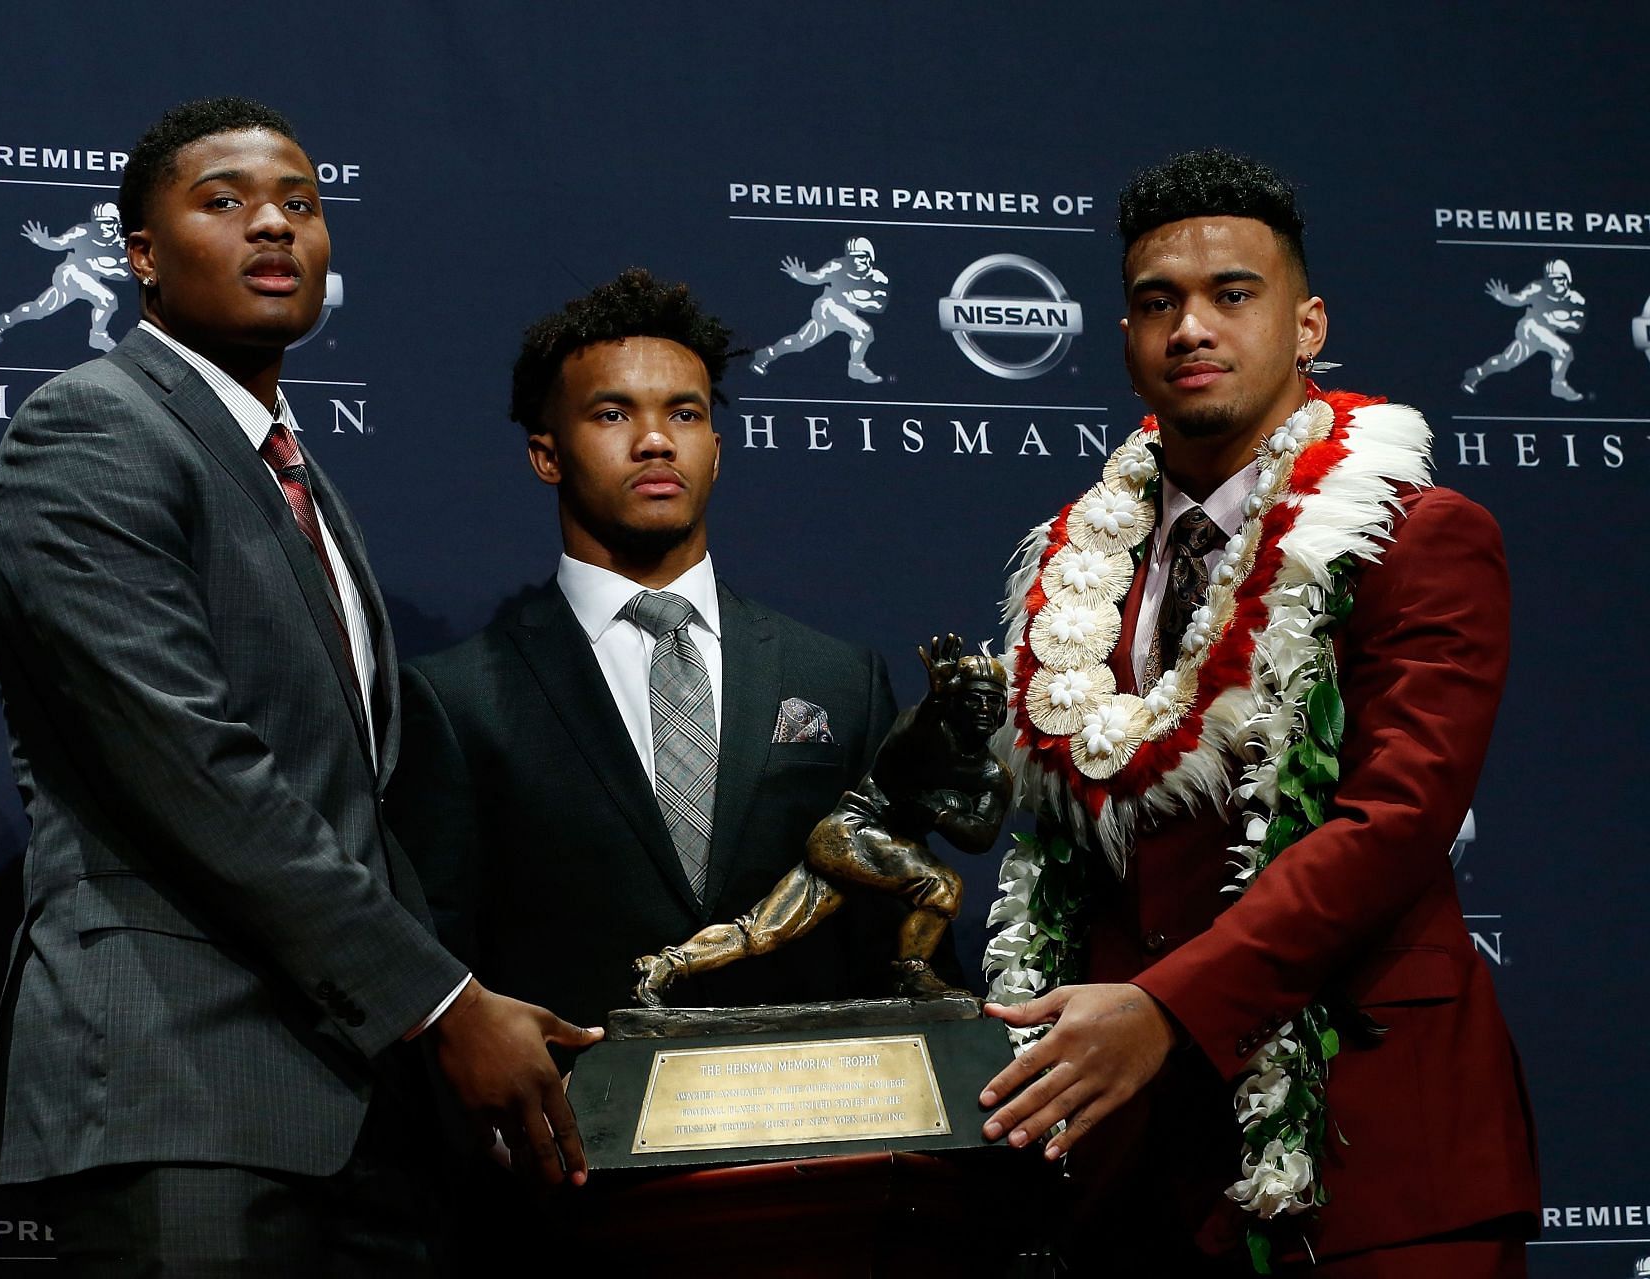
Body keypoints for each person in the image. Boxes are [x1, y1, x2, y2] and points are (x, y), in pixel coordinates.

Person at [0, 97, 594, 1276]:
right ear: (139, 257)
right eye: (226, 202)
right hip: (185, 1090)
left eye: (300, 205)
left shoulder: (296, 467)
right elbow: (192, 768)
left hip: (357, 1105)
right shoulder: (92, 430)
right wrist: (445, 1003)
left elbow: (352, 801)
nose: (274, 226)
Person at [976, 150, 1539, 1274]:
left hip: (1371, 1147)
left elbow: (1394, 823)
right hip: (1133, 1172)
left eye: (1233, 294)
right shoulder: (1075, 565)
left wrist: (1164, 1009)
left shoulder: (1416, 534)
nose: (1191, 327)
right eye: (1157, 303)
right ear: (1127, 337)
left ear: (1307, 322)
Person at [386, 267, 903, 1046]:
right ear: (546, 456)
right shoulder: (457, 701)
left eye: (684, 413)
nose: (656, 439)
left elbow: (891, 937)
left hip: (815, 1138)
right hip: (570, 1143)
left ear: (717, 451)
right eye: (612, 412)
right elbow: (438, 968)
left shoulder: (841, 680)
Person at [632, 634, 1010, 1006]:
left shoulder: (992, 775)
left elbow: (980, 837)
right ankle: (910, 971)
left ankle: (666, 964)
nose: (982, 708)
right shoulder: (927, 733)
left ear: (1003, 710)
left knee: (762, 932)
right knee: (942, 885)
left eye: (992, 701)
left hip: (864, 853)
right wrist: (935, 699)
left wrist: (937, 813)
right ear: (953, 702)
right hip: (852, 833)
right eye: (972, 698)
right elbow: (909, 739)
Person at [0, 202, 131, 351]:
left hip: (89, 280)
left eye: (108, 223)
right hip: (70, 274)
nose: (103, 227)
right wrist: (44, 242)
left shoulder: (122, 244)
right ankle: (98, 336)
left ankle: (3, 321)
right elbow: (59, 243)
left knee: (38, 310)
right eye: (99, 223)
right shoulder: (82, 231)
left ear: (117, 223)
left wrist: (97, 266)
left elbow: (125, 274)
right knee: (108, 299)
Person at [749, 236, 890, 383]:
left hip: (845, 313)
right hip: (828, 307)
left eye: (860, 257)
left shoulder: (878, 279)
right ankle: (856, 367)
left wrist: (854, 300)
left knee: (799, 342)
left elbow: (879, 306)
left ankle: (767, 354)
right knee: (864, 331)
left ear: (869, 257)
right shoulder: (838, 266)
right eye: (852, 257)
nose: (856, 261)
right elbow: (816, 277)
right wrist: (802, 276)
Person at [1460, 258, 1587, 401]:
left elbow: (1577, 326)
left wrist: (1555, 321)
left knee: (1505, 362)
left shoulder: (1576, 300)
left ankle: (1477, 373)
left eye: (1558, 278)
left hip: (1546, 333)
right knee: (1564, 350)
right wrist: (1505, 298)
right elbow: (1519, 299)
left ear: (1566, 278)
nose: (1553, 282)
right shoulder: (1538, 287)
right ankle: (1558, 385)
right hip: (1530, 327)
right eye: (1550, 279)